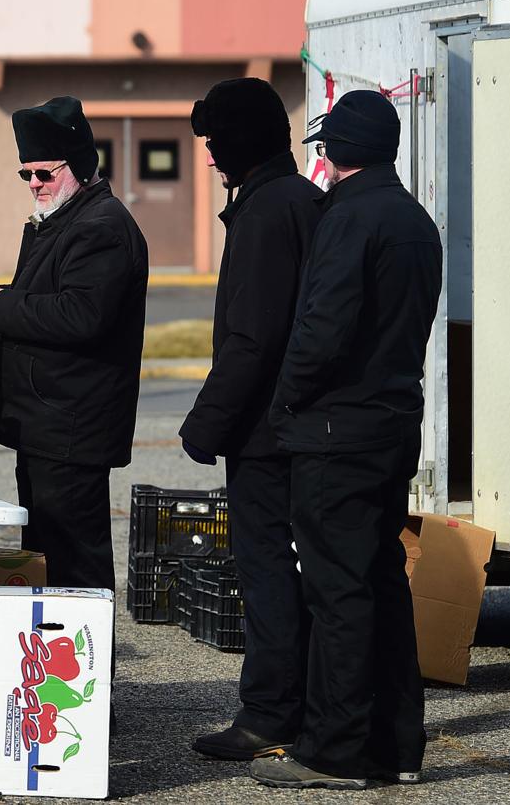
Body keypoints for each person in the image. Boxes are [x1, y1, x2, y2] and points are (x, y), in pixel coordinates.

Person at [250, 90, 442, 790]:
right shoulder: (415, 221)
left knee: (336, 593)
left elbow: (320, 331)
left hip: (335, 432)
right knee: (382, 582)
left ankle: (334, 750)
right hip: (394, 424)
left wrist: (284, 402)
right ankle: (398, 746)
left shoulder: (348, 219)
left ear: (336, 151)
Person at [179, 78, 322, 760]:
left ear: (240, 143)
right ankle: (305, 706)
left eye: (214, 144)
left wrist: (205, 426)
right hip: (304, 426)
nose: (208, 159)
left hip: (267, 434)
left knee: (267, 573)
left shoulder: (267, 213)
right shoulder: (298, 201)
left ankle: (269, 716)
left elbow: (253, 338)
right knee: (308, 574)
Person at [0, 96, 148, 591]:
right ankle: (56, 666)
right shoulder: (65, 219)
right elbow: (51, 297)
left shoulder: (101, 226)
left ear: (80, 164)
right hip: (46, 423)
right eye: (26, 175)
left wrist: (0, 308)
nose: (35, 185)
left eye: (44, 173)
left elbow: (80, 314)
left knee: (74, 563)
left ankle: (89, 666)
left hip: (72, 427)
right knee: (45, 558)